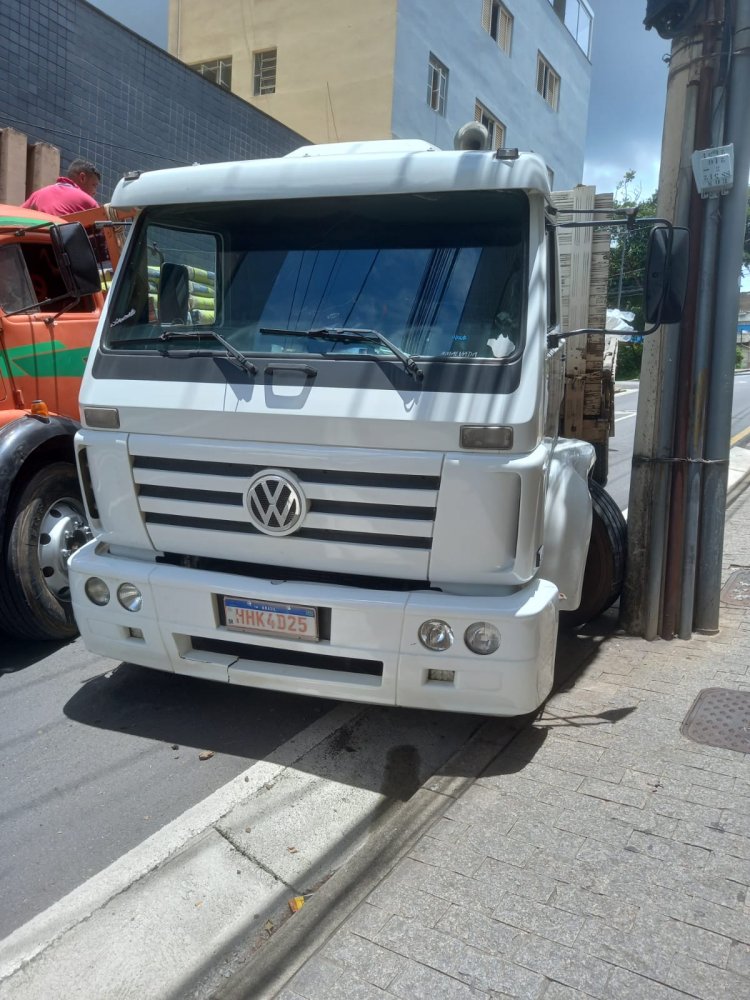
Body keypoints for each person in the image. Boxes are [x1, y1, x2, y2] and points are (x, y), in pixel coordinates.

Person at [22, 159, 101, 215]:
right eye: (94, 185)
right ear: (82, 178)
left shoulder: (37, 194)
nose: (95, 192)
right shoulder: (89, 202)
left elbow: (18, 213)